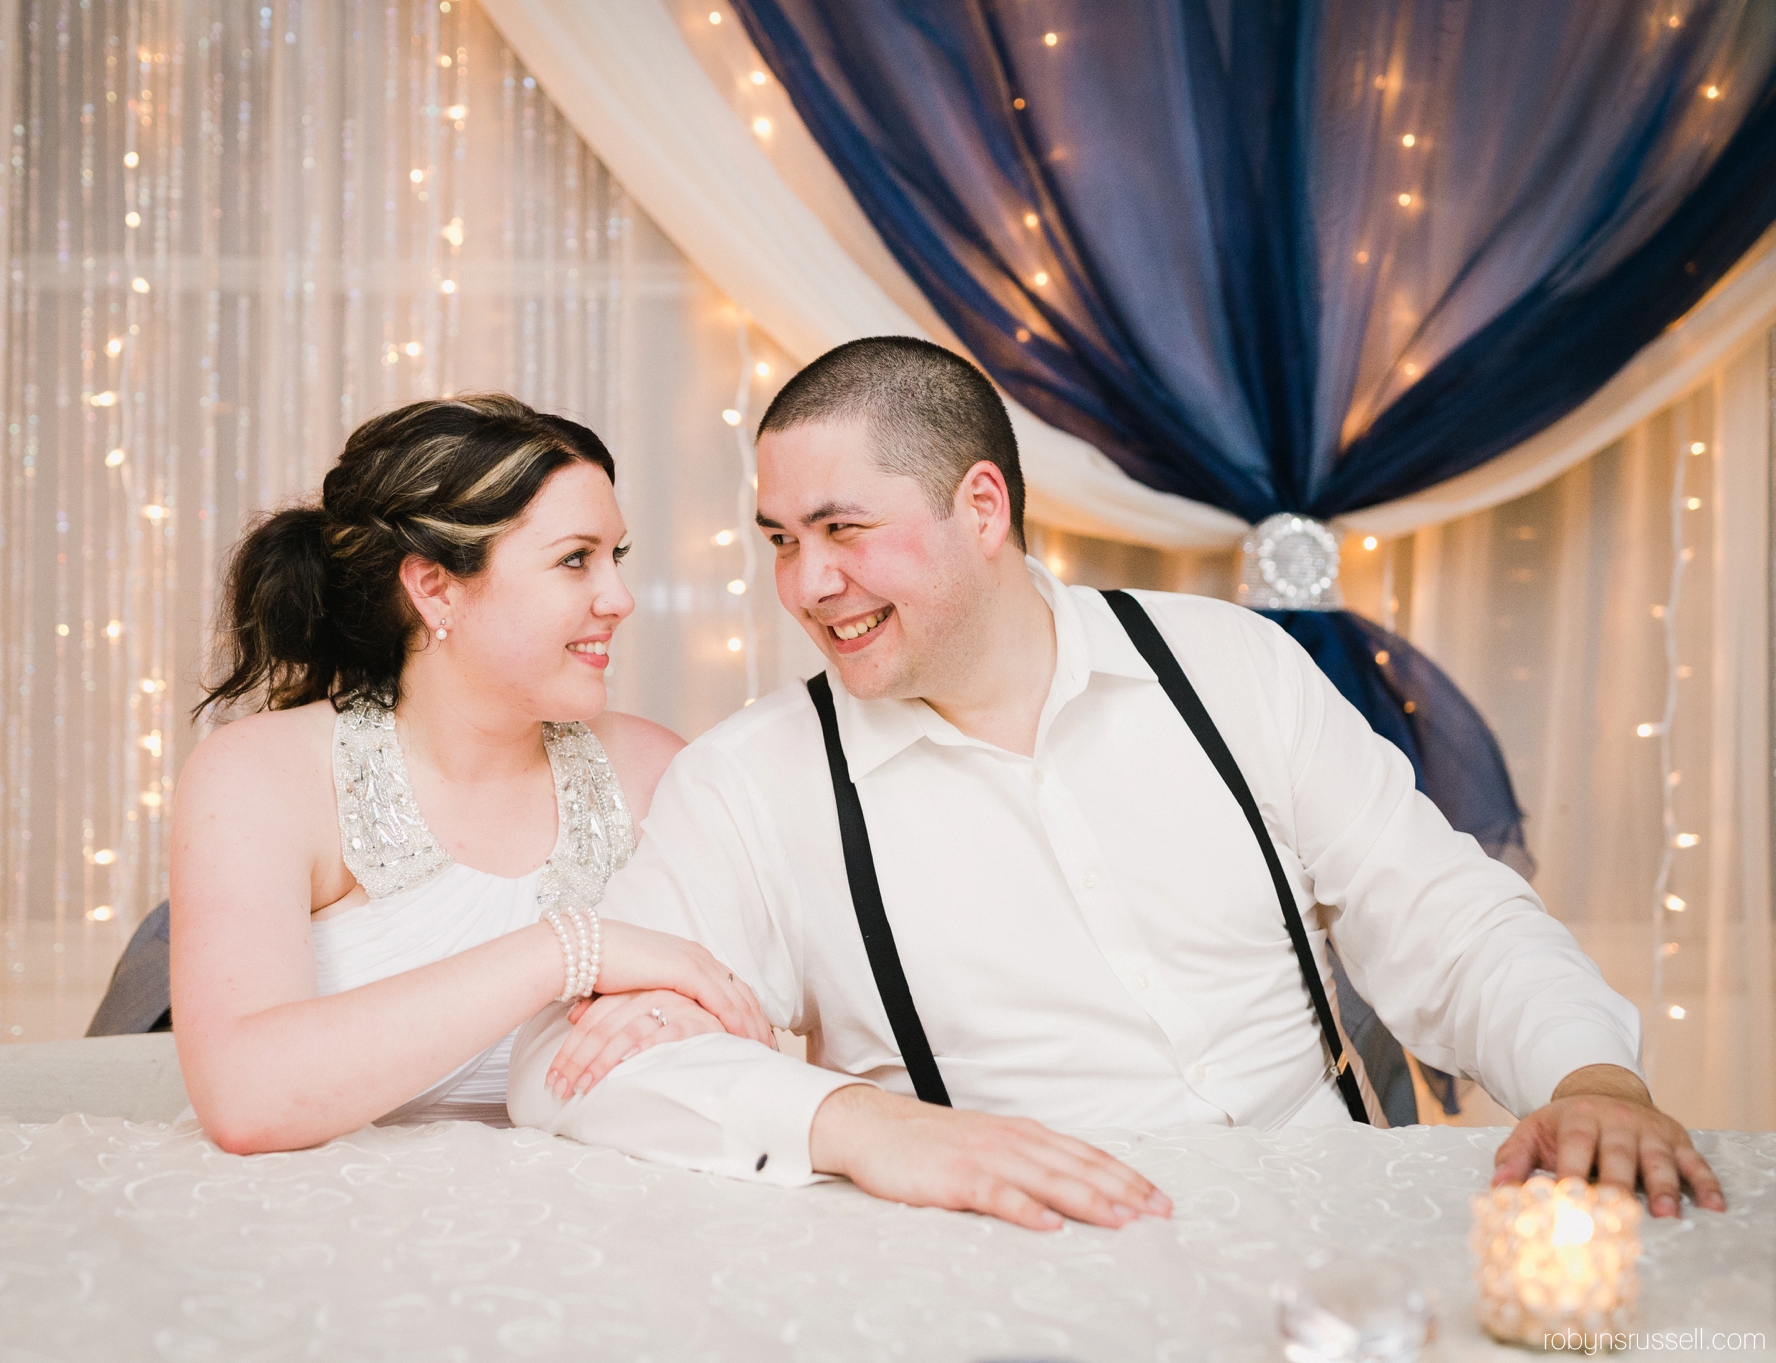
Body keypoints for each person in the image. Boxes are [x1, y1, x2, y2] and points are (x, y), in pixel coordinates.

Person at [508, 337, 1727, 1231]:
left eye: (841, 529)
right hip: (1025, 1274)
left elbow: (1442, 915)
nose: (805, 583)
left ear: (979, 506)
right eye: (779, 539)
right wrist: (862, 1123)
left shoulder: (1228, 663)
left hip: (1340, 1240)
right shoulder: (751, 780)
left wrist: (1590, 1076)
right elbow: (575, 1074)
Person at [167, 394, 770, 1154]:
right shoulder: (261, 775)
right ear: (435, 588)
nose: (619, 598)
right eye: (574, 559)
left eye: (613, 557)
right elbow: (243, 1098)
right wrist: (569, 949)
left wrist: (695, 1022)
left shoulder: (654, 770)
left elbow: (756, 1033)